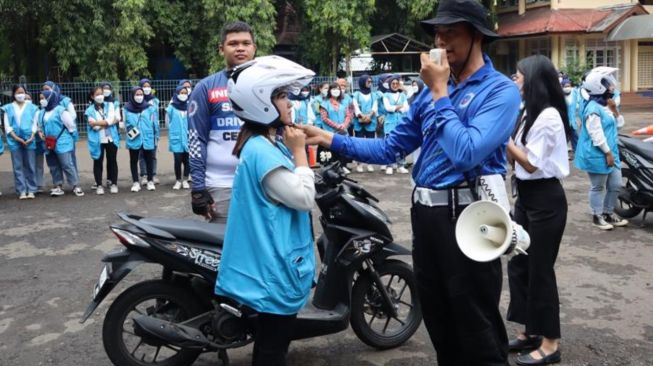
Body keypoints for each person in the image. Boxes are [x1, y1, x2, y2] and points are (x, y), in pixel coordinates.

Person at [301, 0, 520, 364]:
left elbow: (467, 151)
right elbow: (391, 147)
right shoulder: (431, 93)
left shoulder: (499, 91)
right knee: (438, 319)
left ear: (477, 36)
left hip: (468, 216)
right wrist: (328, 139)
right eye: (438, 33)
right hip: (427, 217)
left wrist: (438, 93)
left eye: (451, 33)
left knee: (475, 325)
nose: (441, 42)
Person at [215, 55, 315, 366]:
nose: (289, 102)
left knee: (270, 348)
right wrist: (301, 153)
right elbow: (303, 197)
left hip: (269, 265)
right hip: (274, 272)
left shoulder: (263, 142)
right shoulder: (263, 152)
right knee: (272, 353)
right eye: (282, 95)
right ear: (261, 102)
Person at [506, 55, 571, 366]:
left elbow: (530, 162)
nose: (515, 81)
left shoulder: (548, 117)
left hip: (546, 200)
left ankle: (550, 343)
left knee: (541, 270)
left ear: (532, 80)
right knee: (519, 264)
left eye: (518, 77)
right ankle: (530, 331)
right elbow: (517, 161)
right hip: (527, 197)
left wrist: (503, 140)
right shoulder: (526, 113)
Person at [188, 21, 257, 223]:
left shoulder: (266, 85)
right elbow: (195, 139)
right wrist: (198, 188)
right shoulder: (205, 88)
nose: (240, 48)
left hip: (262, 182)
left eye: (246, 43)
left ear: (254, 47)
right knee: (224, 249)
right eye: (233, 43)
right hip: (221, 185)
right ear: (221, 49)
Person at [574, 67, 628, 230]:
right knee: (598, 186)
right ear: (599, 87)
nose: (612, 87)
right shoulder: (592, 109)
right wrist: (608, 153)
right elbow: (596, 135)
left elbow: (619, 125)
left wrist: (615, 111)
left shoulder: (607, 106)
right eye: (608, 84)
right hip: (599, 153)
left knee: (616, 184)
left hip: (611, 152)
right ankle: (597, 216)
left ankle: (608, 212)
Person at [37, 90, 84, 197]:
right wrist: (40, 133)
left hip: (62, 142)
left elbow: (71, 126)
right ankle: (58, 185)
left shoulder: (61, 111)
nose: (41, 100)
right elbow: (39, 126)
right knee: (53, 164)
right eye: (40, 98)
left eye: (43, 98)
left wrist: (69, 138)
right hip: (49, 142)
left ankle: (75, 185)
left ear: (50, 98)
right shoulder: (42, 112)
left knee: (67, 164)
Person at [2, 85, 39, 199]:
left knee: (30, 165)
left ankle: (31, 189)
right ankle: (21, 190)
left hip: (29, 139)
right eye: (18, 92)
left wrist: (32, 136)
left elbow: (35, 124)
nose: (20, 95)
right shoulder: (8, 108)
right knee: (18, 166)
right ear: (14, 94)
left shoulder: (32, 107)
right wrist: (16, 138)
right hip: (14, 140)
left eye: (22, 92)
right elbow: (7, 126)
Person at [85, 86, 119, 195]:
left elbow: (111, 119)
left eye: (101, 94)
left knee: (112, 161)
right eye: (97, 94)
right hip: (97, 139)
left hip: (111, 138)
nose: (100, 96)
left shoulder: (110, 105)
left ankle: (113, 183)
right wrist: (108, 122)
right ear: (92, 96)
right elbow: (95, 126)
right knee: (98, 162)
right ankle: (99, 185)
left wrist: (97, 122)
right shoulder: (89, 110)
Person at [124, 86, 158, 192]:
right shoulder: (126, 109)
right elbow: (126, 124)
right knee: (134, 160)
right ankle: (135, 182)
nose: (139, 96)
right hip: (134, 138)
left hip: (148, 137)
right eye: (137, 94)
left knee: (149, 159)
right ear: (132, 95)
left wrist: (156, 137)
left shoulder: (149, 108)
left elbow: (154, 123)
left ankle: (150, 181)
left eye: (141, 94)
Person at [318, 82, 352, 170]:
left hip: (342, 131)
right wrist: (336, 126)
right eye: (333, 89)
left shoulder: (343, 104)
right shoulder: (324, 104)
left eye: (337, 89)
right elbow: (324, 118)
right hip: (330, 131)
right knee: (330, 150)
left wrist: (344, 125)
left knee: (342, 149)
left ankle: (342, 166)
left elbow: (348, 116)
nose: (336, 91)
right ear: (329, 91)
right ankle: (331, 167)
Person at [382, 75, 410, 174]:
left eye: (396, 83)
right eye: (393, 83)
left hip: (401, 123)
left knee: (401, 144)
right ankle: (389, 165)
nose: (394, 85)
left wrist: (396, 108)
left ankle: (400, 165)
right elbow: (388, 108)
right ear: (390, 84)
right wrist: (399, 107)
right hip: (390, 123)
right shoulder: (386, 95)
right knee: (390, 144)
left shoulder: (402, 95)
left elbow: (406, 108)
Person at [351, 74, 378, 172]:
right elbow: (355, 107)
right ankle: (359, 164)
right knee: (359, 144)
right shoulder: (356, 94)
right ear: (362, 82)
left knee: (370, 143)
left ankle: (369, 163)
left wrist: (369, 116)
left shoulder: (373, 95)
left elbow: (375, 107)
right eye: (368, 81)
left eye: (371, 82)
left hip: (370, 121)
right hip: (359, 122)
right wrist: (361, 116)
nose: (370, 84)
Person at [167, 85, 191, 190]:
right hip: (176, 137)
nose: (183, 95)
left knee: (187, 160)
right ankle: (178, 180)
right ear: (177, 94)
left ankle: (185, 179)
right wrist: (174, 131)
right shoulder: (171, 107)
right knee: (177, 159)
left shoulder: (190, 106)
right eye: (181, 93)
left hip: (188, 137)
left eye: (185, 93)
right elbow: (168, 122)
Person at [138, 78, 161, 185]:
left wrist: (157, 132)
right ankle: (144, 175)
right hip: (141, 131)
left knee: (153, 154)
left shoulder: (155, 101)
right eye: (144, 86)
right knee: (141, 154)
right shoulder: (138, 101)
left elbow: (156, 117)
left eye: (148, 86)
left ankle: (153, 174)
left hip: (153, 131)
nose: (146, 88)